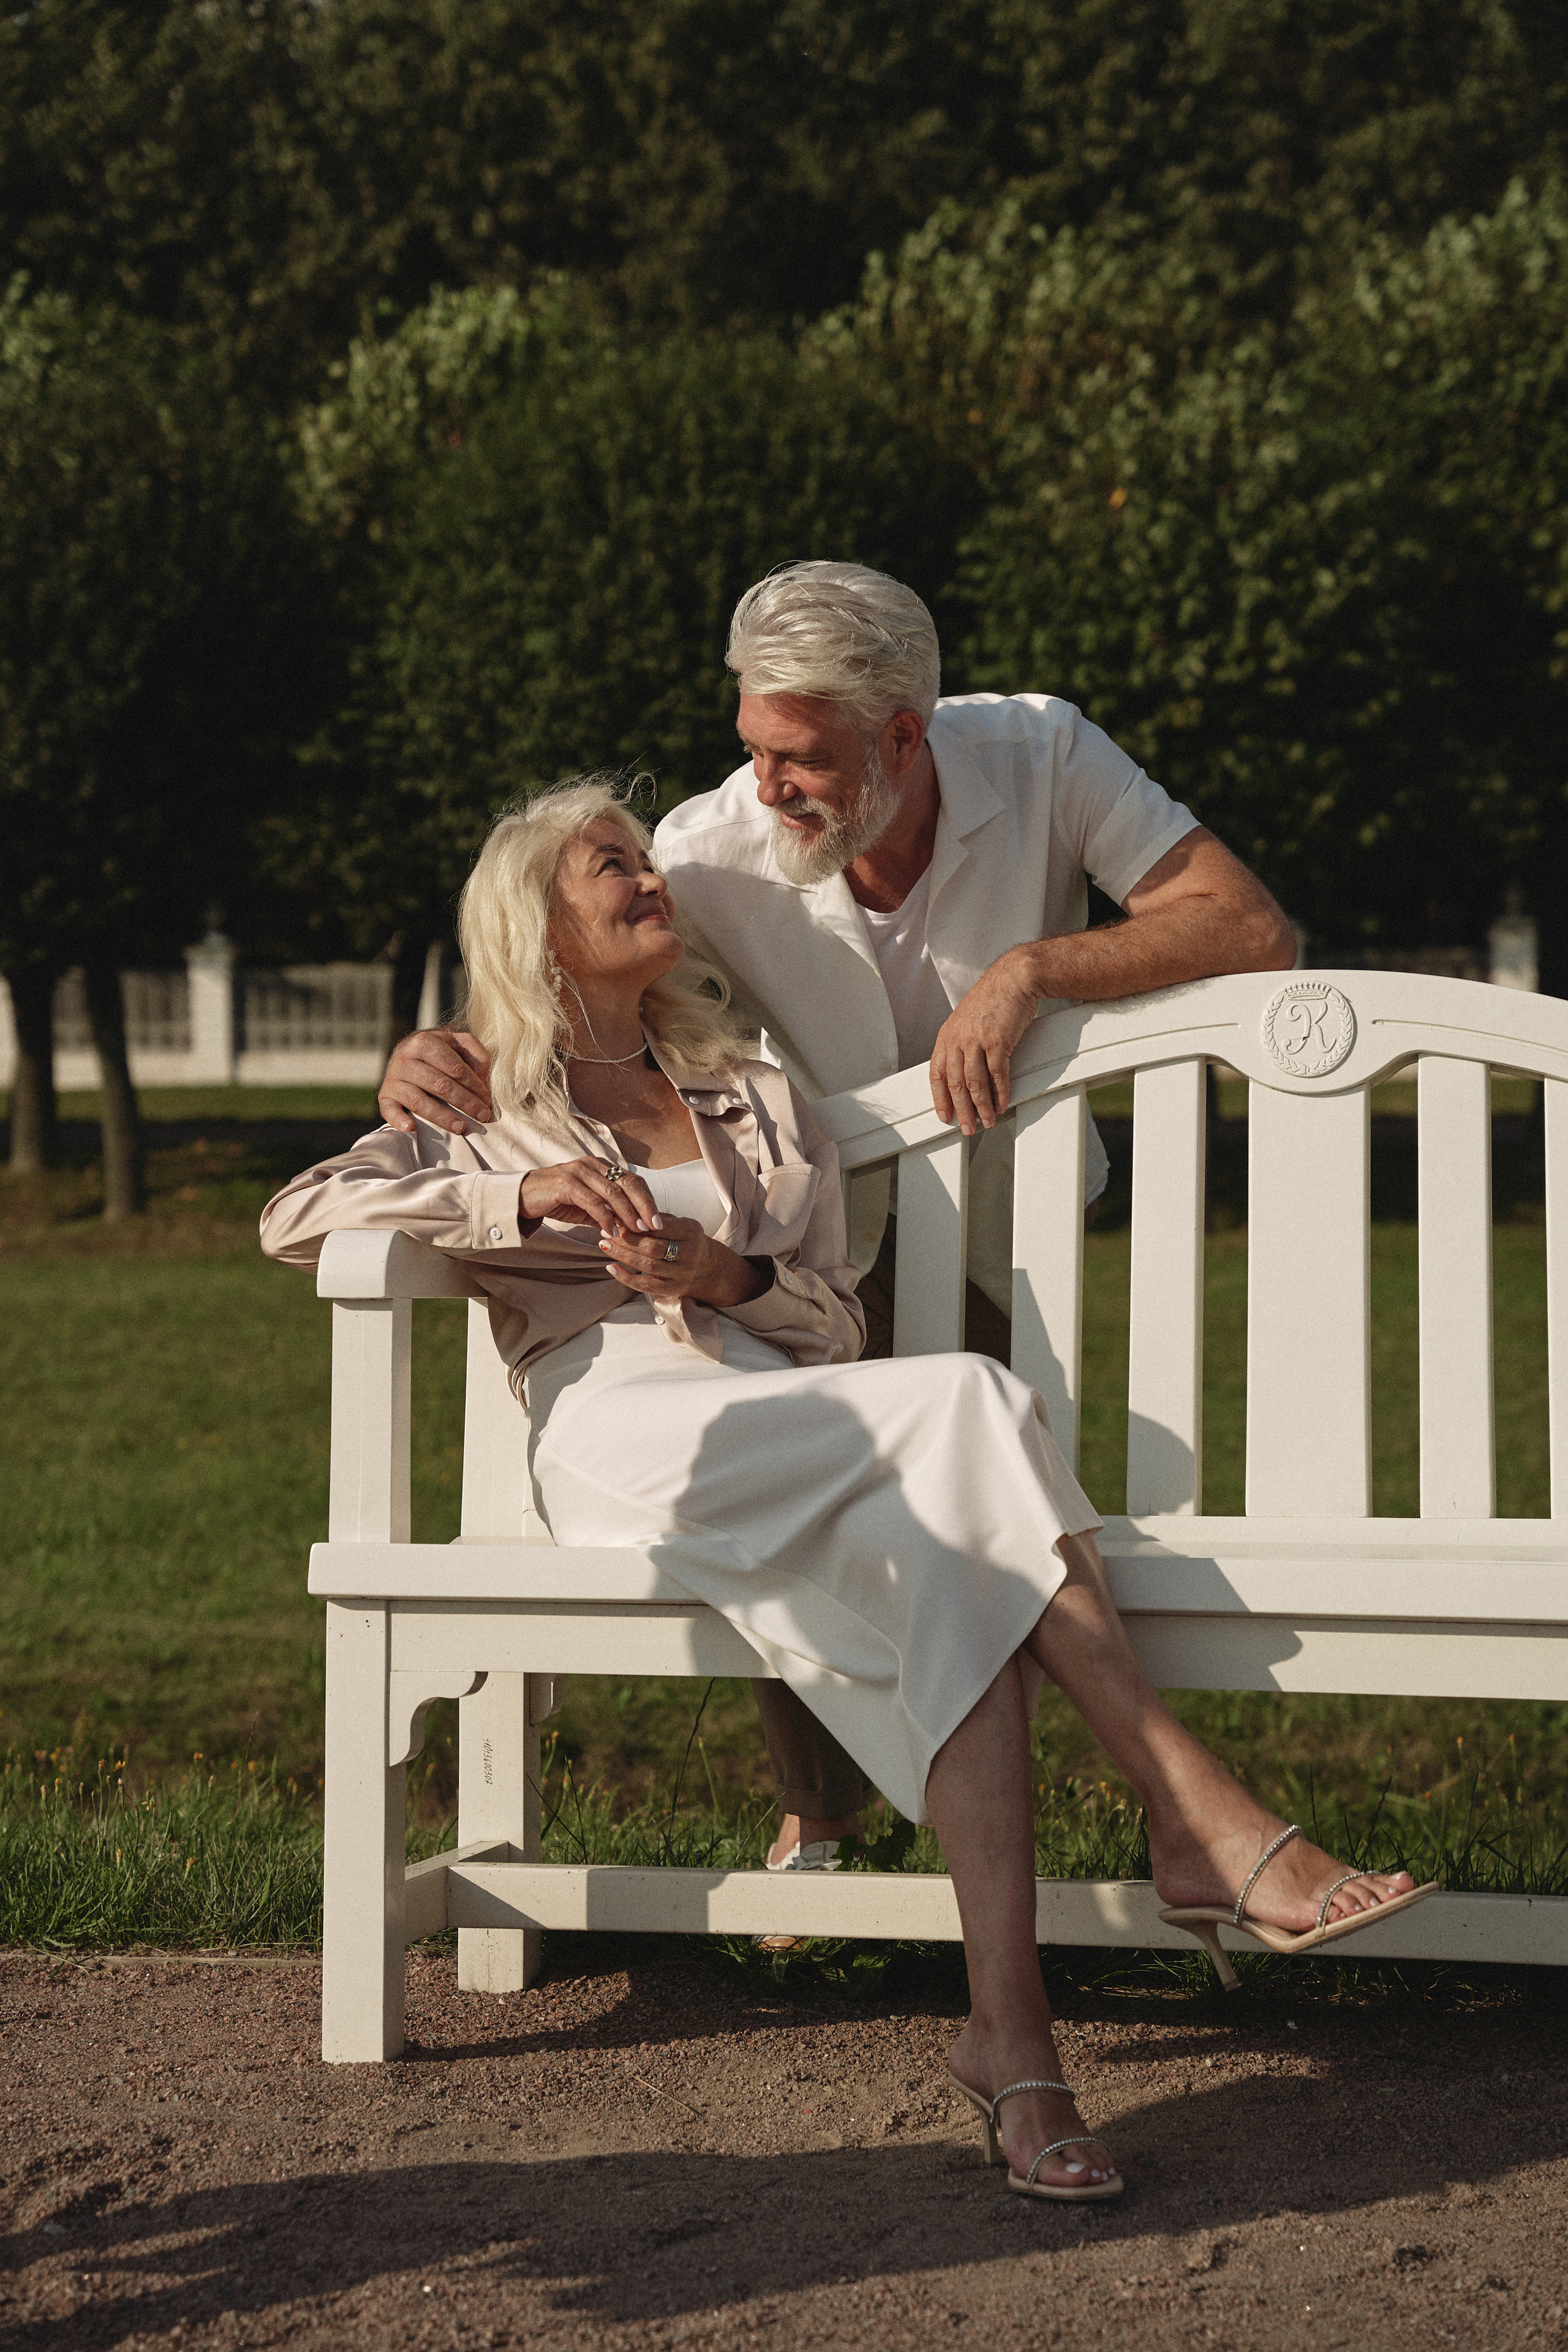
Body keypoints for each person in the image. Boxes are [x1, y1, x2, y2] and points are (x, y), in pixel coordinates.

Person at [264, 781, 1430, 2203]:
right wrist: (524, 1201)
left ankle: (1015, 2052)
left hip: (781, 1401)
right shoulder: (479, 1097)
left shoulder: (751, 1096)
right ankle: (1194, 1814)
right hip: (623, 1427)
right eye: (608, 866)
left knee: (961, 1576)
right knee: (976, 1400)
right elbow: (298, 1215)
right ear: (538, 927)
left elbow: (829, 1324)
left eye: (645, 856)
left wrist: (728, 1275)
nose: (648, 876)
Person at [378, 562, 1298, 1876]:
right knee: (788, 1420)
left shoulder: (1042, 751)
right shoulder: (709, 844)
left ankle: (969, 1829)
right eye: (751, 748)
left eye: (799, 758)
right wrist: (436, 1058)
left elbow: (1245, 926)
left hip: (1023, 1223)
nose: (767, 786)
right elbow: (569, 963)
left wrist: (1030, 972)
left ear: (904, 736)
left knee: (933, 1460)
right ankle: (835, 1815)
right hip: (823, 1240)